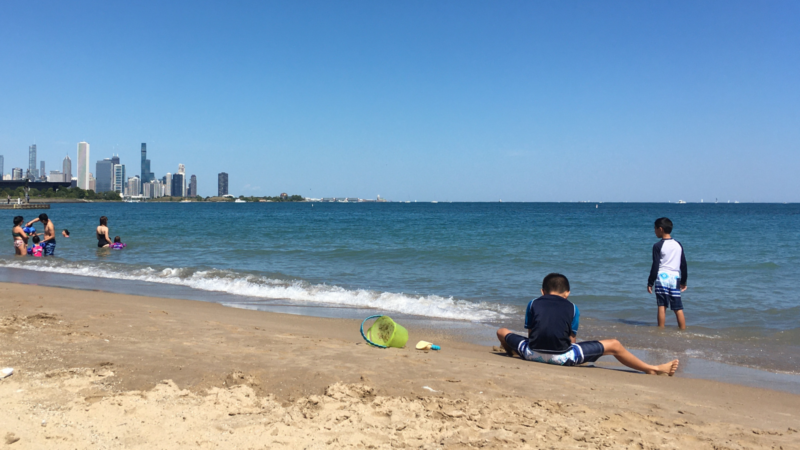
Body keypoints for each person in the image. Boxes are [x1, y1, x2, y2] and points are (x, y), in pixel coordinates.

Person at [497, 273, 679, 376]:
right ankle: (652, 368)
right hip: (562, 358)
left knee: (502, 331)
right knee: (614, 345)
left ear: (542, 291)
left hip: (531, 354)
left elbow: (531, 334)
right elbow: (572, 341)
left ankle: (512, 352)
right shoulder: (572, 307)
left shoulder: (533, 303)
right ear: (567, 293)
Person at [647, 217, 687, 330]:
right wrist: (684, 281)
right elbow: (683, 264)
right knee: (678, 307)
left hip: (662, 278)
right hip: (675, 278)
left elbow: (655, 265)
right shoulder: (678, 244)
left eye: (655, 228)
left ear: (660, 229)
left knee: (662, 305)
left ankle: (661, 331)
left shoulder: (657, 246)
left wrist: (650, 282)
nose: (654, 231)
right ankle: (683, 331)